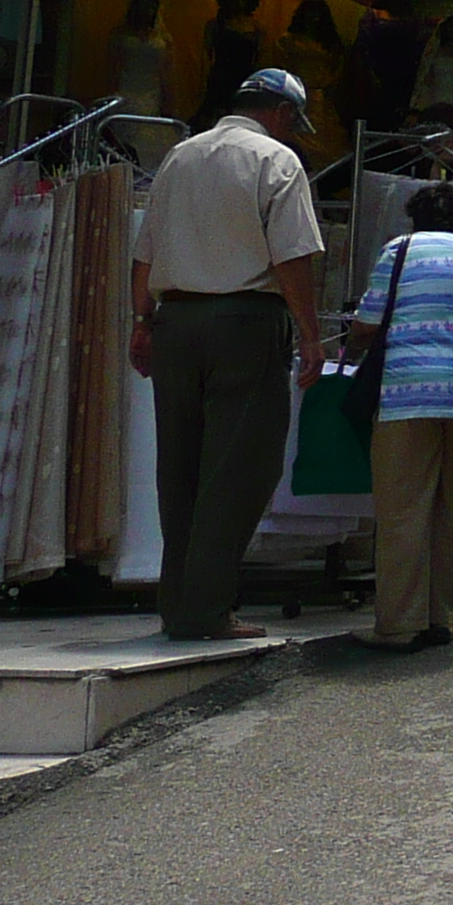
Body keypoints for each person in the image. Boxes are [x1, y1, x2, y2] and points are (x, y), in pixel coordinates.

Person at [132, 68, 327, 641]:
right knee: (239, 469)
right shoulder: (277, 161)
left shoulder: (179, 157)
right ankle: (209, 609)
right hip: (245, 322)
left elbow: (146, 252)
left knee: (181, 469)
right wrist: (310, 333)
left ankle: (180, 604)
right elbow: (293, 256)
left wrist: (142, 322)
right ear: (283, 113)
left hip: (176, 321)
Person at [342, 183, 453, 651]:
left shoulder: (401, 250)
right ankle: (442, 617)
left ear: (415, 219)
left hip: (409, 395)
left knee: (403, 511)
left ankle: (397, 625)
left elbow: (367, 326)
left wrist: (351, 346)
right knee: (452, 515)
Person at [189, 0, 266, 131]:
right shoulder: (215, 24)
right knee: (211, 119)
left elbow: (260, 58)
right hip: (220, 77)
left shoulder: (256, 27)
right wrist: (203, 86)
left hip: (244, 78)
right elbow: (206, 57)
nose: (239, 2)